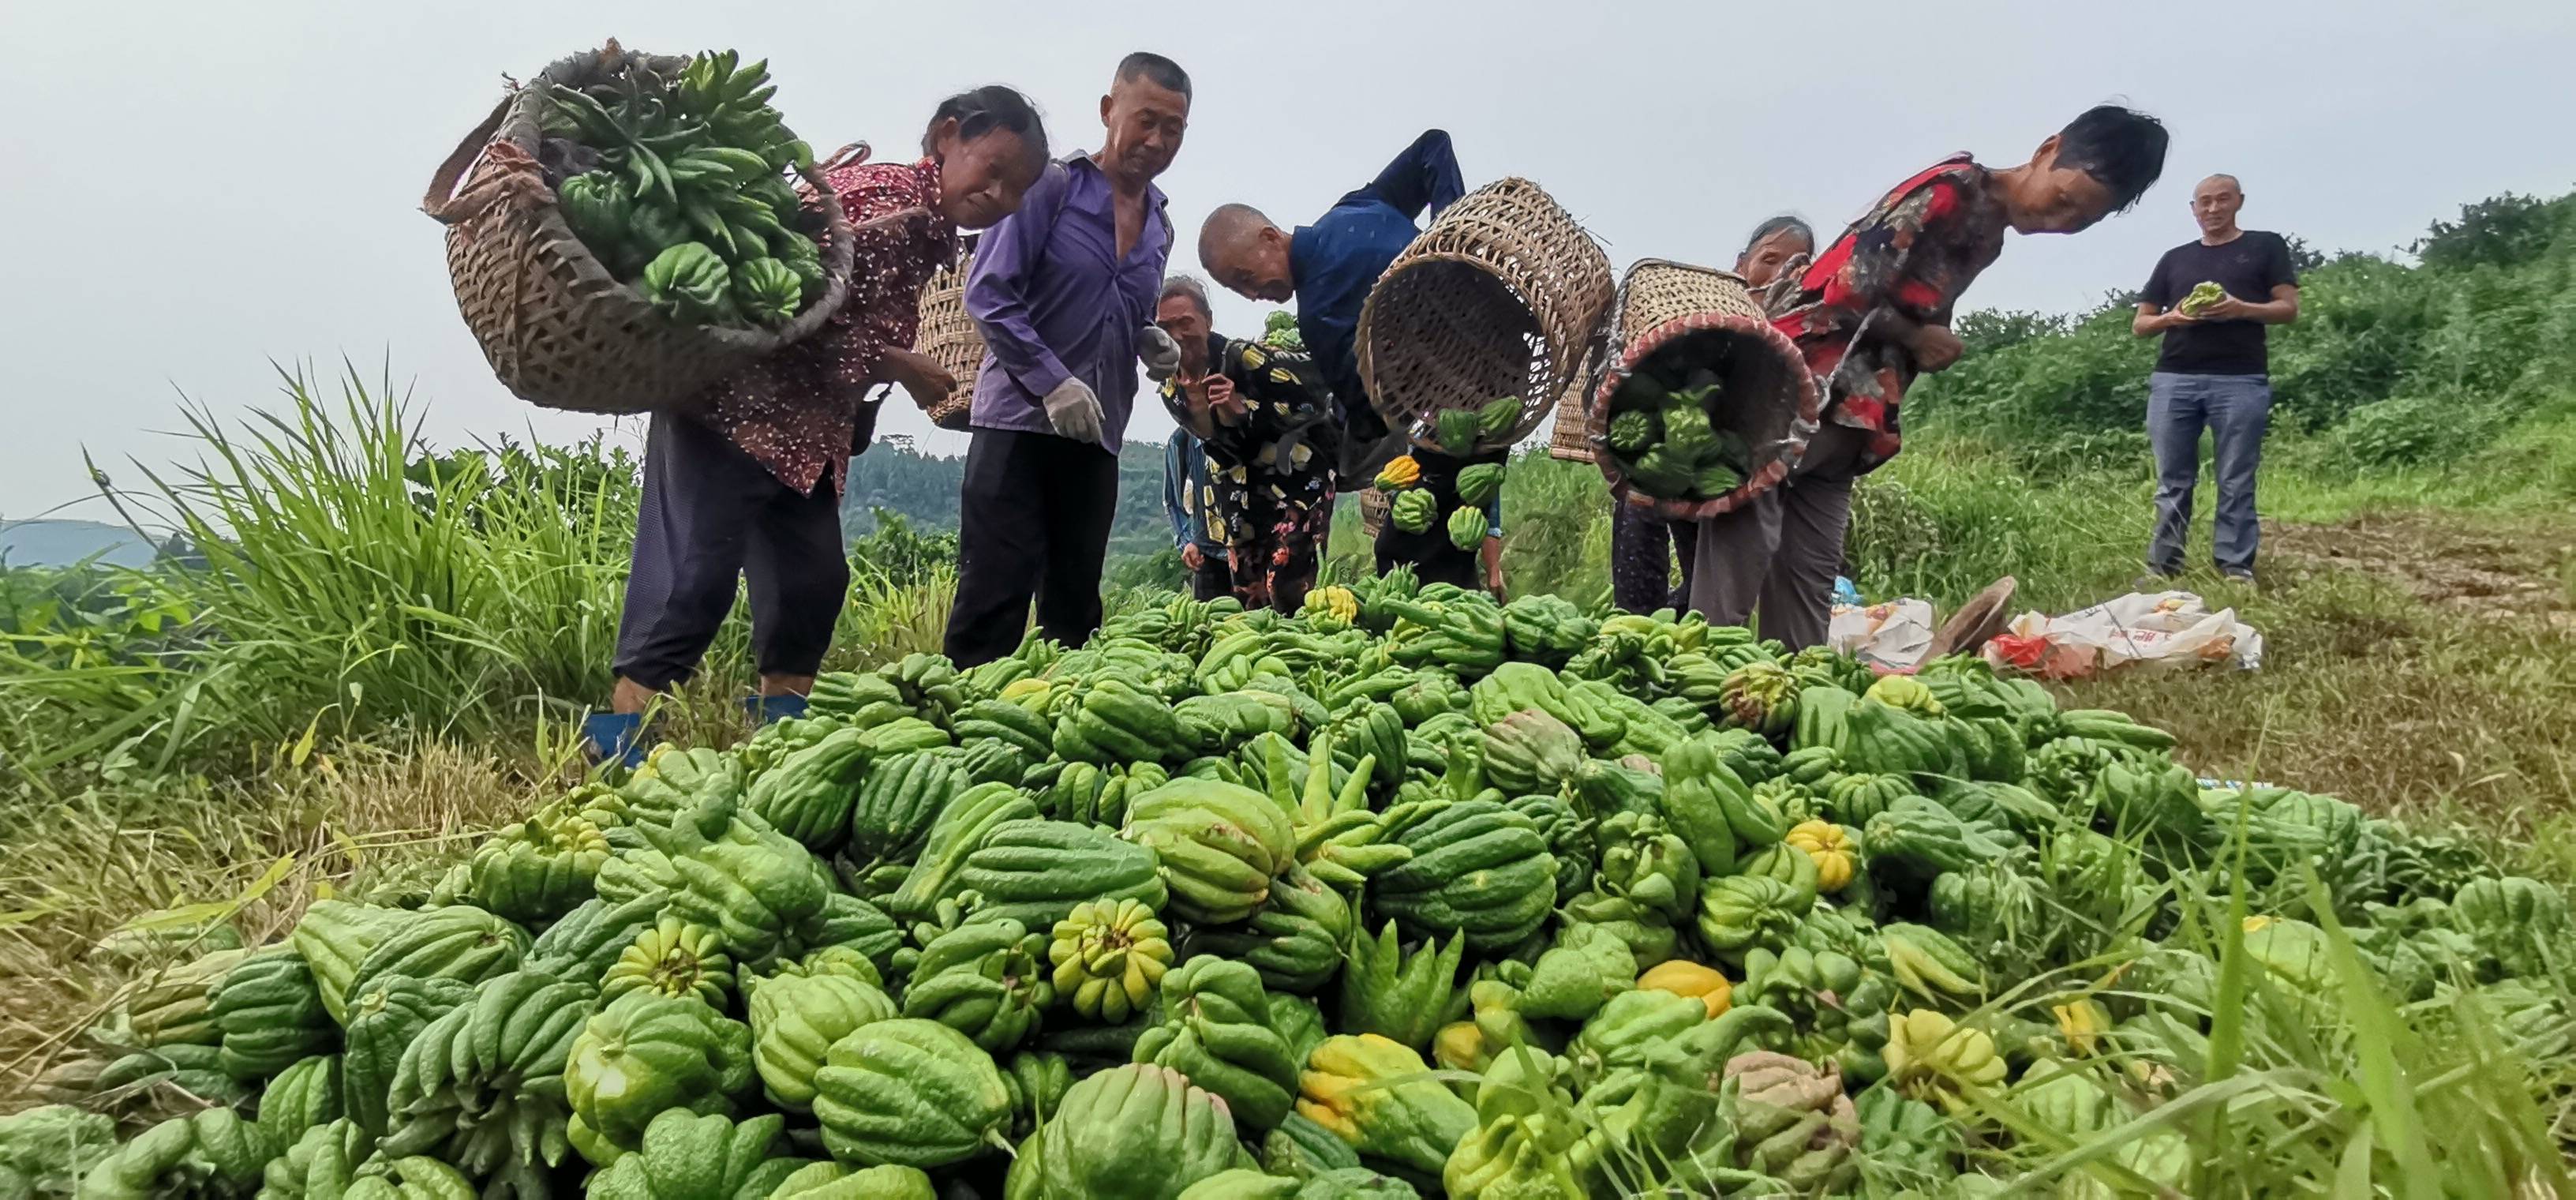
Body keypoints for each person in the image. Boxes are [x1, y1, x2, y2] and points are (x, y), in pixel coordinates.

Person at [587, 87, 1050, 763]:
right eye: (994, 168)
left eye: (1018, 190)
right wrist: (898, 363)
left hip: (807, 438)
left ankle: (779, 739)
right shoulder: (879, 196)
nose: (1001, 195)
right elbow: (775, 293)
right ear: (948, 137)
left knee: (812, 582)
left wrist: (874, 383)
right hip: (736, 411)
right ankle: (616, 739)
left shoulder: (932, 230)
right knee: (695, 578)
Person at [1692, 105, 2171, 648]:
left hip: (1855, 416)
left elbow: (1914, 301)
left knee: (1810, 569)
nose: (2059, 222)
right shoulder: (1949, 192)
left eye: (2079, 220)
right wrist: (1919, 338)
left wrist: (1930, 335)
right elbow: (1843, 286)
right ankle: (1702, 683)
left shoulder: (1989, 235)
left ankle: (1791, 694)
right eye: (2063, 200)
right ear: (2046, 151)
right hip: (1799, 390)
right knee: (1741, 550)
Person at [943, 53, 1193, 668]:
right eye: (1146, 121)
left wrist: (1149, 338)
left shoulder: (1161, 226)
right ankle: (961, 742)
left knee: (1076, 608)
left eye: (1174, 130)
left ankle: (1060, 744)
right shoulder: (1050, 187)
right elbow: (989, 293)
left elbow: (1121, 314)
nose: (1157, 141)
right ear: (1110, 112)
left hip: (1097, 435)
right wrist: (1052, 383)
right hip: (1019, 426)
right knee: (993, 599)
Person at [1196, 129, 1465, 485]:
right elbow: (1434, 146)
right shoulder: (1353, 210)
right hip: (1492, 339)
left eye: (1246, 277)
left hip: (1459, 399)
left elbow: (1370, 416)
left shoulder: (1317, 318)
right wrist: (1455, 245)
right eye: (1238, 290)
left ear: (1270, 237)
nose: (1251, 294)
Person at [1610, 216, 1814, 613]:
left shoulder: (1798, 335)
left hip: (1726, 475)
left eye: (1797, 266)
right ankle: (1635, 628)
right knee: (1639, 528)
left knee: (1705, 577)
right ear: (1741, 264)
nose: (1780, 274)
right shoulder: (1706, 309)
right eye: (1769, 259)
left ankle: (1677, 627)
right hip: (1662, 450)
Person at [2132, 174, 2300, 585]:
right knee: (2172, 479)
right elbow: (2141, 323)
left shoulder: (2265, 246)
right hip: (2174, 379)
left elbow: (2288, 309)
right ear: (2193, 209)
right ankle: (2163, 565)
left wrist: (2240, 308)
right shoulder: (2174, 259)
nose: (2212, 209)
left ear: (2239, 201)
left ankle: (2235, 566)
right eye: (2203, 202)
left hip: (2241, 379)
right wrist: (2172, 317)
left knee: (2236, 476)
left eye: (2222, 200)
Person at [1152, 276, 1339, 612]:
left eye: (1186, 323)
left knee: (1287, 586)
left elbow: (1307, 407)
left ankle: (1303, 655)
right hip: (1237, 499)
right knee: (1251, 598)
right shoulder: (1171, 390)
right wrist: (1218, 418)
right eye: (1165, 326)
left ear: (1207, 321)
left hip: (1294, 486)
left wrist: (1243, 409)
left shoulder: (1243, 358)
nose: (1177, 335)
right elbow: (1216, 446)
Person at [1372, 451, 1507, 597]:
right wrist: (1398, 496)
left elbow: (1489, 498)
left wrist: (1494, 570)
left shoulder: (1488, 456)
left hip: (1453, 565)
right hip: (1403, 551)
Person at [1162, 425, 1230, 601]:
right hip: (1208, 556)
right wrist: (1187, 543)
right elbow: (1172, 500)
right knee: (1208, 623)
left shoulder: (1248, 424)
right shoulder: (1181, 440)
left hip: (1254, 556)